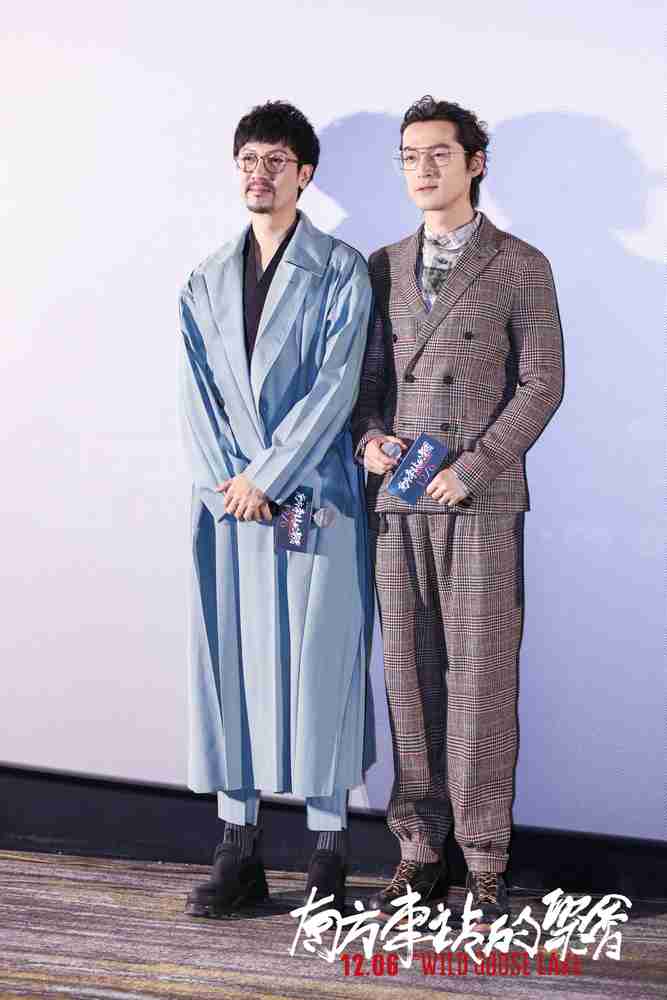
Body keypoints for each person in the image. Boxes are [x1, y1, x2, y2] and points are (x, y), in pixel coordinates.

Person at [351, 95, 564, 930]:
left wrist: (472, 468)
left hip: (477, 503)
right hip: (400, 500)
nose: (422, 168)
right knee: (406, 678)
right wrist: (370, 440)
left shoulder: (519, 264)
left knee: (479, 683)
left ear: (475, 163)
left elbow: (541, 383)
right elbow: (367, 382)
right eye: (409, 156)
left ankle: (483, 862)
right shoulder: (381, 266)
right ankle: (418, 849)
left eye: (439, 153)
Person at [179, 100, 375, 917]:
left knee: (321, 671)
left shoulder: (340, 270)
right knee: (232, 668)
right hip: (233, 508)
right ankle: (239, 849)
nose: (259, 175)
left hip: (314, 499)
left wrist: (269, 474)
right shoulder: (204, 280)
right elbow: (196, 399)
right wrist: (232, 484)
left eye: (275, 161)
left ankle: (328, 858)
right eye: (248, 161)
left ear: (305, 174)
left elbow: (335, 386)